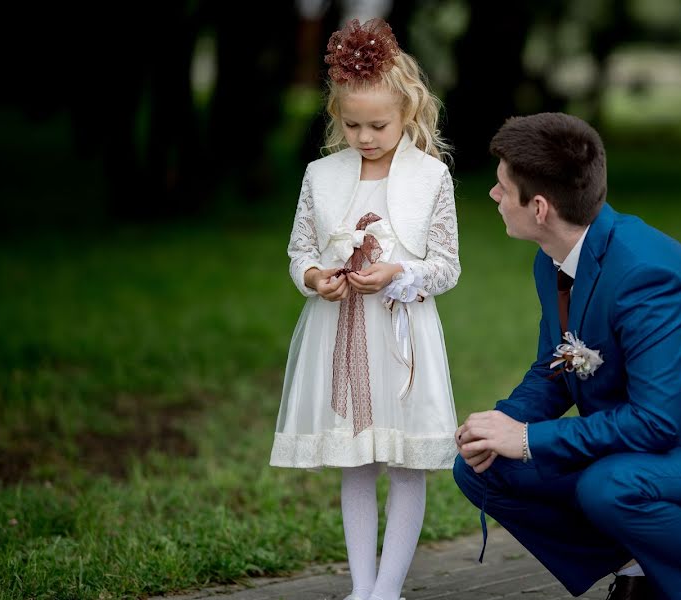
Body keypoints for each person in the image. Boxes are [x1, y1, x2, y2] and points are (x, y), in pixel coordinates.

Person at [453, 113, 681, 600]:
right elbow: (558, 363)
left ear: (541, 207)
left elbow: (656, 422)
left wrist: (526, 439)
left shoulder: (647, 277)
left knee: (608, 487)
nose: (494, 195)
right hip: (639, 451)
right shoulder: (554, 260)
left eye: (503, 187)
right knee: (482, 469)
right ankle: (639, 565)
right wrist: (498, 426)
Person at [269, 18, 460, 600]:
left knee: (404, 461)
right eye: (351, 125)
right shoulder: (321, 177)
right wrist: (313, 276)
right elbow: (300, 247)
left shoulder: (431, 178)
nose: (365, 136)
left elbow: (447, 265)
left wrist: (399, 272)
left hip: (400, 333)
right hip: (340, 332)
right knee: (355, 459)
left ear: (408, 113)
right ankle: (362, 586)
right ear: (336, 119)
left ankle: (388, 589)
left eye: (378, 125)